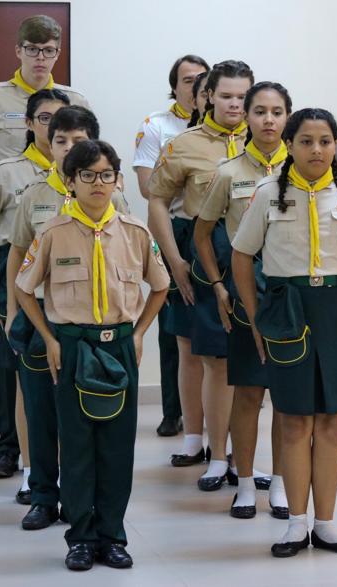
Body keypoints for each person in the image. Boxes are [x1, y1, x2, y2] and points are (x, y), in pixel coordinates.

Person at [232, 108, 337, 558]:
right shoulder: (267, 195)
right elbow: (242, 256)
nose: (316, 150)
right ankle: (296, 523)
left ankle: (327, 523)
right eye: (306, 141)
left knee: (333, 420)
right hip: (288, 308)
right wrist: (258, 314)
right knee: (295, 419)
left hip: (336, 309)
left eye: (325, 141)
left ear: (336, 146)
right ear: (291, 145)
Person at [15, 139, 169, 571]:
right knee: (78, 445)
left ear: (118, 180)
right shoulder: (52, 234)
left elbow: (159, 287)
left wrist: (138, 333)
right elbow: (25, 289)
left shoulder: (136, 233)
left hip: (118, 344)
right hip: (72, 345)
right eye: (87, 175)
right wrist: (48, 338)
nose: (98, 183)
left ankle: (111, 536)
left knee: (118, 447)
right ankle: (80, 537)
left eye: (106, 175)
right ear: (70, 182)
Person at [0, 14, 89, 480]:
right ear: (18, 51)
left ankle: (56, 455)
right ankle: (11, 448)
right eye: (32, 49)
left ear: (58, 51)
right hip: (9, 240)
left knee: (56, 356)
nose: (40, 57)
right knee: (12, 355)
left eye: (49, 49)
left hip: (63, 246)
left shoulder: (74, 100)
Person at [4, 105, 127, 530]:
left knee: (90, 418)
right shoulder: (35, 194)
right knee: (41, 408)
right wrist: (13, 310)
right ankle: (43, 495)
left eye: (78, 141)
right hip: (45, 320)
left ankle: (92, 508)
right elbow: (18, 253)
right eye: (61, 141)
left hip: (93, 326)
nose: (69, 149)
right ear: (49, 143)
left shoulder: (112, 194)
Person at [0, 88, 70, 504]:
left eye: (61, 119)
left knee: (64, 380)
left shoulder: (84, 173)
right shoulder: (8, 171)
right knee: (26, 380)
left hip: (69, 283)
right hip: (18, 278)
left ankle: (65, 469)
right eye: (44, 119)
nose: (53, 126)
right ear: (29, 124)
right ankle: (28, 466)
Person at [148, 60, 251, 489]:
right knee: (205, 354)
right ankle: (208, 446)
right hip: (202, 252)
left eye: (242, 97)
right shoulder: (185, 144)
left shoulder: (267, 139)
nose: (235, 104)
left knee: (246, 360)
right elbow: (157, 201)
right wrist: (174, 262)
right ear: (208, 96)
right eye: (225, 95)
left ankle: (242, 456)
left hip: (253, 254)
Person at [195, 81, 291, 518]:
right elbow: (202, 232)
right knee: (249, 393)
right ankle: (247, 482)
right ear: (246, 117)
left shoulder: (303, 165)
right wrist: (217, 286)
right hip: (245, 288)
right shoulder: (229, 172)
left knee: (288, 396)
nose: (268, 120)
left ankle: (283, 483)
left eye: (277, 112)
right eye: (260, 111)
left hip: (292, 292)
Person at [133, 54, 210, 437]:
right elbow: (149, 189)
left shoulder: (225, 127)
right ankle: (172, 411)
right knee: (173, 328)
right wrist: (190, 178)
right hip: (175, 229)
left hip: (213, 230)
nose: (195, 85)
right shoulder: (158, 126)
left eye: (202, 79)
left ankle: (213, 417)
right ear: (175, 87)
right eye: (187, 79)